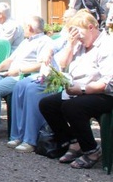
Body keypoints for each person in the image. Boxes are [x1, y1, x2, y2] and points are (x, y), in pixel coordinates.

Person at [39, 10, 113, 169]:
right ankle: (75, 142)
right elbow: (63, 64)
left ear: (91, 27)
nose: (78, 38)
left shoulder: (107, 45)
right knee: (47, 104)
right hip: (79, 90)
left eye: (80, 34)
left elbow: (107, 83)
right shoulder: (79, 43)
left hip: (104, 94)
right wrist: (71, 45)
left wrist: (82, 90)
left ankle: (92, 150)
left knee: (72, 106)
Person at [0, 16, 51, 141]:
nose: (23, 28)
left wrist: (19, 70)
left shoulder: (45, 41)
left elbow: (42, 64)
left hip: (21, 78)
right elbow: (11, 59)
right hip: (8, 74)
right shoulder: (25, 41)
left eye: (25, 26)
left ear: (30, 27)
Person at [7, 8, 76, 153]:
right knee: (20, 85)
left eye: (68, 18)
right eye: (65, 17)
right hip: (49, 72)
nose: (65, 20)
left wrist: (71, 43)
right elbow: (54, 46)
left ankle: (30, 140)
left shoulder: (77, 38)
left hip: (63, 77)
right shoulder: (64, 35)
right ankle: (18, 135)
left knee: (32, 90)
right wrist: (49, 52)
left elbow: (63, 63)